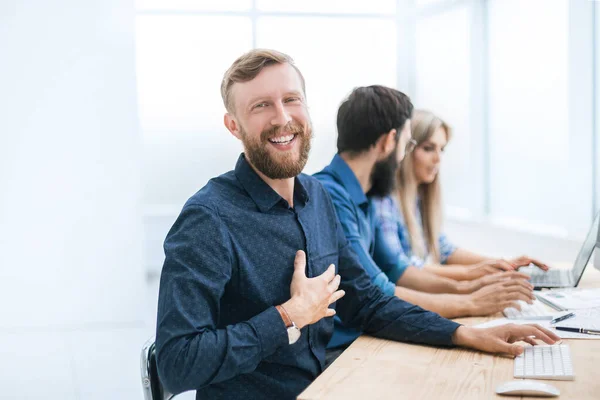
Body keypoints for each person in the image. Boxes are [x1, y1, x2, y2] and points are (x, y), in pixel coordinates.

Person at [155, 49, 559, 400]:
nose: (282, 118)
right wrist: (289, 315)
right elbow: (177, 364)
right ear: (234, 126)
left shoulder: (318, 200)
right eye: (260, 106)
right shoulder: (207, 219)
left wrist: (464, 334)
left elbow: (368, 302)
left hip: (331, 384)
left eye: (291, 99)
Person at [314, 87, 536, 355]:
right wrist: (470, 300)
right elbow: (379, 291)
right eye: (408, 146)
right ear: (388, 142)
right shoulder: (329, 197)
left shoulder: (362, 196)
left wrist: (472, 291)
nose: (404, 159)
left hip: (363, 337)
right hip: (339, 351)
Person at [371, 109, 549, 282]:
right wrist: (479, 272)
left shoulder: (419, 199)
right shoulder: (384, 201)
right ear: (406, 148)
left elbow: (445, 250)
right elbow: (405, 269)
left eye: (442, 149)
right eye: (428, 148)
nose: (438, 158)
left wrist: (503, 264)